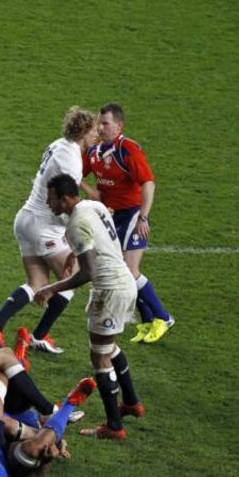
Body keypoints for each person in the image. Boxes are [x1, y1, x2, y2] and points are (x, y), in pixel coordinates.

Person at [0, 107, 99, 354]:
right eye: (94, 131)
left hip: (25, 219)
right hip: (43, 226)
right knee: (71, 279)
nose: (96, 136)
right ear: (85, 131)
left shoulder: (58, 145)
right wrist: (75, 238)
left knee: (37, 282)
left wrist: (87, 190)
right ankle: (39, 335)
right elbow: (66, 201)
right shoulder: (73, 160)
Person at [35, 174, 144, 440]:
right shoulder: (91, 206)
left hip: (109, 290)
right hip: (124, 283)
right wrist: (74, 252)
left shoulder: (75, 224)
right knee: (109, 346)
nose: (49, 205)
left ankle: (114, 426)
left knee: (100, 357)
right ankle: (131, 402)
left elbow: (89, 273)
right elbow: (95, 233)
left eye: (51, 200)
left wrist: (51, 288)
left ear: (65, 198)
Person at [84, 103, 175, 343]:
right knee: (122, 274)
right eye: (99, 123)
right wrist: (91, 191)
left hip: (133, 214)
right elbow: (75, 174)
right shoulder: (94, 152)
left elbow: (148, 183)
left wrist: (143, 216)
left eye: (105, 123)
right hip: (111, 216)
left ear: (119, 125)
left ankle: (163, 317)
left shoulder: (128, 150)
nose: (100, 128)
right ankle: (147, 323)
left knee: (130, 272)